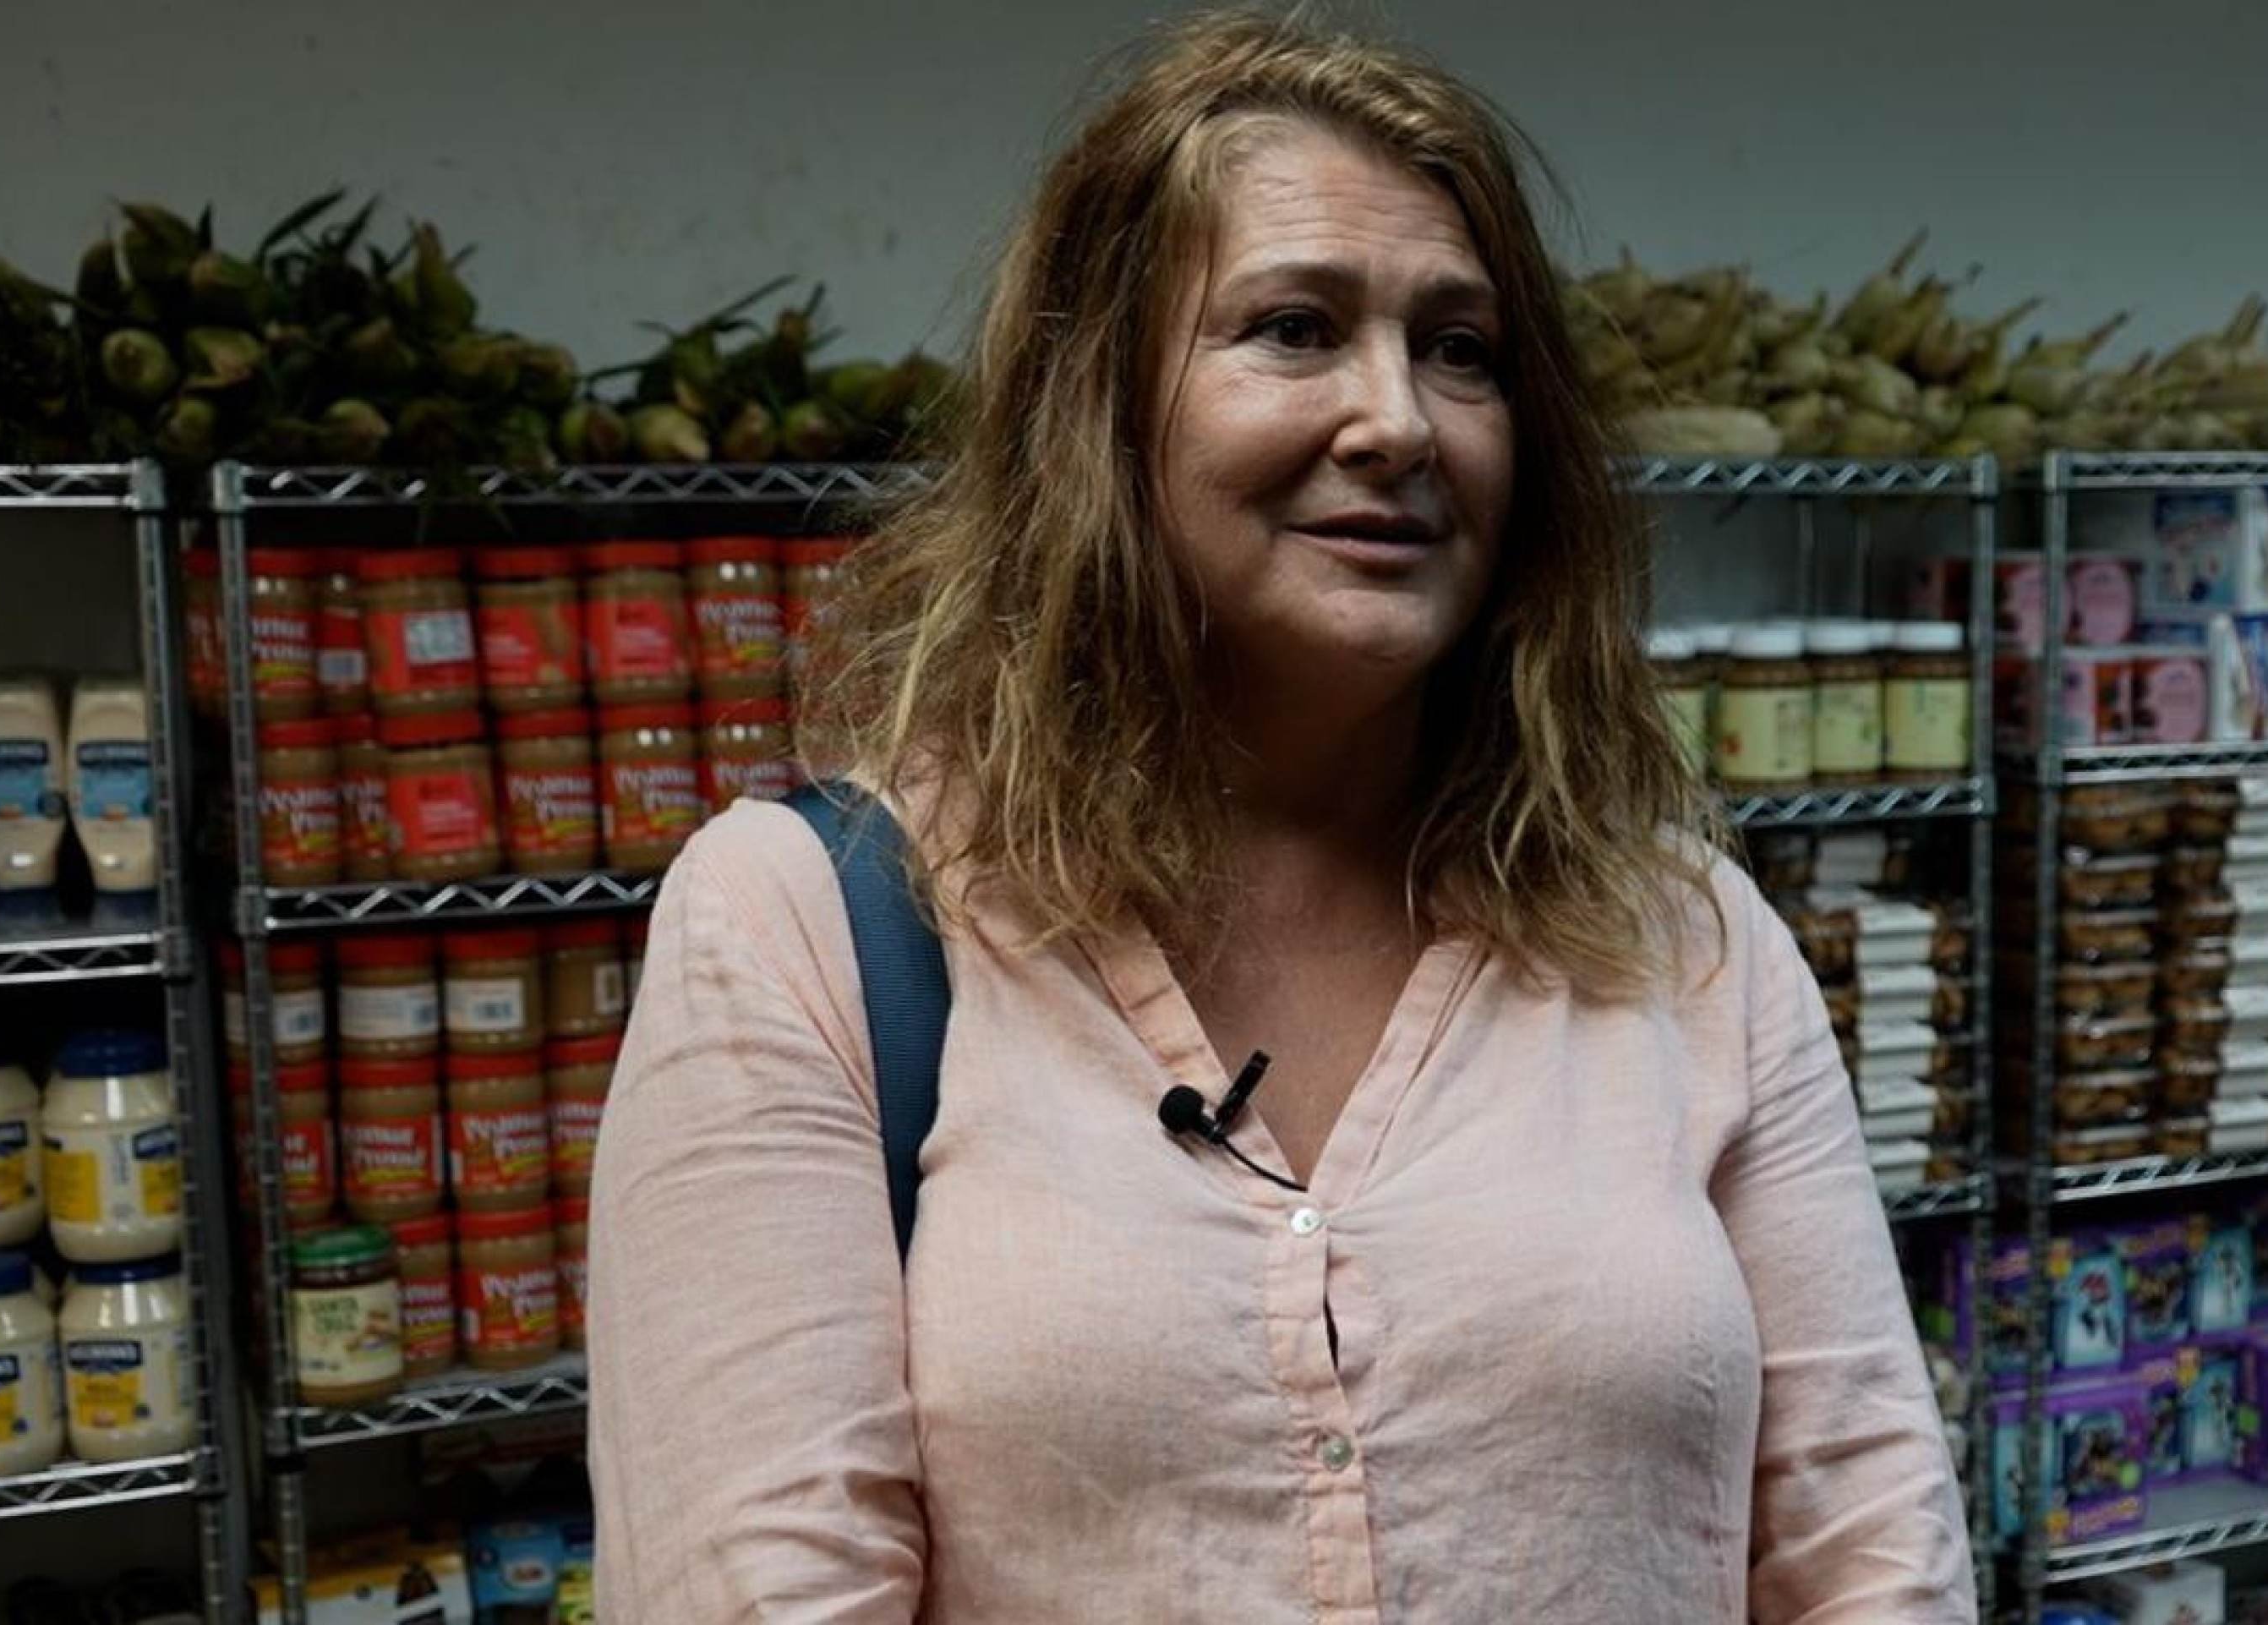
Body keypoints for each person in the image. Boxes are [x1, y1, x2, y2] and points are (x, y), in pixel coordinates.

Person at [587, 12, 1972, 1621]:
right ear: (1098, 412)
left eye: (1461, 349)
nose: (1399, 419)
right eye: (1294, 329)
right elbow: (756, 1586)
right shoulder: (811, 931)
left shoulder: (1686, 942)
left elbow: (1873, 1555)